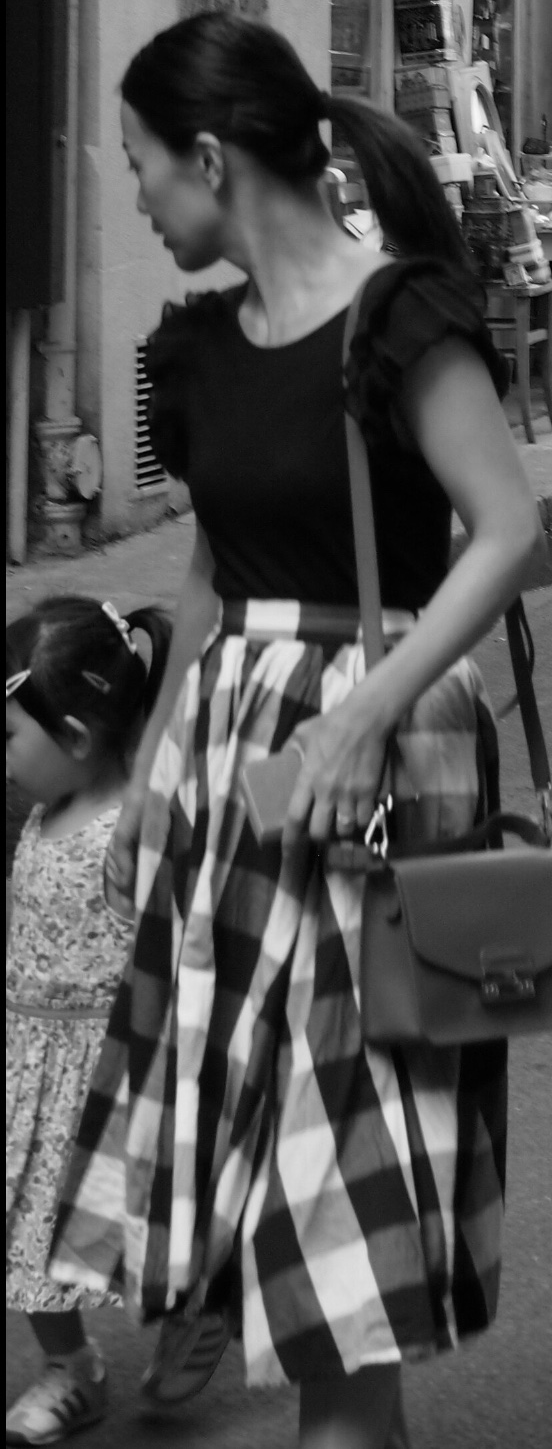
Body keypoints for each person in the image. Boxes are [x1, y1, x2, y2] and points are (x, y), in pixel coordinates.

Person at [49, 13, 541, 1449]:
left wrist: (363, 715)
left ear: (211, 157)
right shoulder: (189, 353)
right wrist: (151, 774)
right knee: (244, 1132)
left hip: (377, 753)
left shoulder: (404, 318)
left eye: (144, 163)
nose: (136, 195)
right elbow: (212, 566)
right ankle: (230, 1324)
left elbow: (507, 527)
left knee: (348, 1173)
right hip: (230, 768)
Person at [6, 598, 176, 1443]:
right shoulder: (37, 820)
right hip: (30, 1073)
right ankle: (72, 1366)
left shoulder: (130, 834)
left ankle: (194, 1313)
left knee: (155, 1222)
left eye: (10, 737)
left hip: (113, 1076)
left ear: (74, 737)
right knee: (26, 1231)